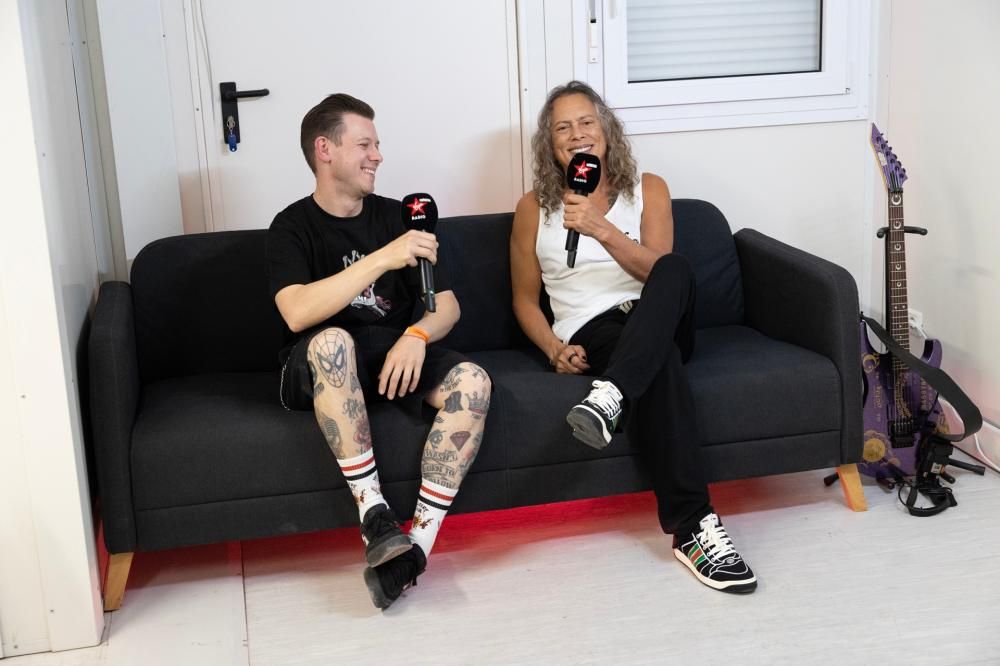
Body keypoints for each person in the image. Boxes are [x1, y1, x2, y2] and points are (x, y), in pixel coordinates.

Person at [510, 81, 756, 594]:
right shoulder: (534, 207)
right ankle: (694, 530)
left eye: (586, 122)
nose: (577, 134)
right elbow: (525, 300)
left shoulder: (650, 188)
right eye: (562, 127)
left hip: (657, 313)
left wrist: (601, 228)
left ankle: (612, 394)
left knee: (675, 269)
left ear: (606, 130)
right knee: (659, 364)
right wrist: (553, 348)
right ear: (549, 144)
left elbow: (659, 272)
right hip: (592, 329)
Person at [266, 93, 491, 610]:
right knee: (334, 341)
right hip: (323, 364)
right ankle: (375, 515)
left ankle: (414, 551)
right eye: (364, 144)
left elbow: (447, 306)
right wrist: (384, 258)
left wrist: (416, 336)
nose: (378, 156)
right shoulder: (291, 226)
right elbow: (297, 313)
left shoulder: (400, 216)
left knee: (474, 382)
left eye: (377, 144)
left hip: (392, 354)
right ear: (325, 149)